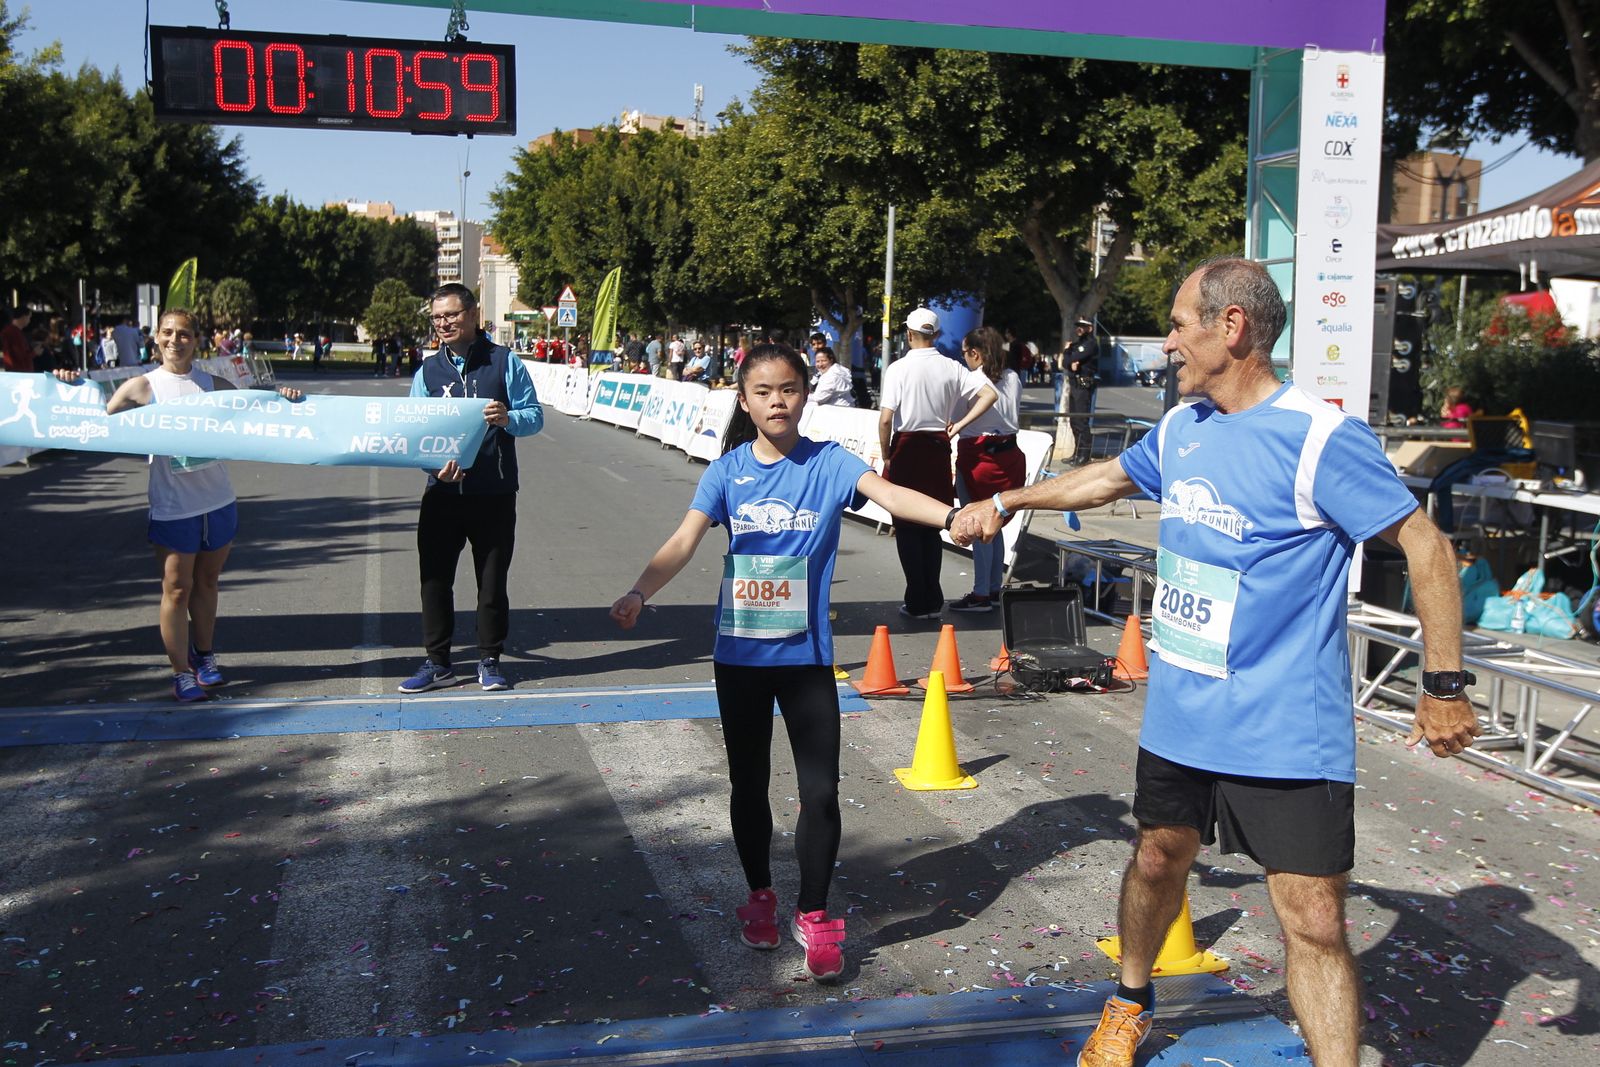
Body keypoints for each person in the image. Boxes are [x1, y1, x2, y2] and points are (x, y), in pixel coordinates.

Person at [952, 257, 1479, 1067]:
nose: (1166, 342)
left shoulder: (1318, 438)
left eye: (1177, 323)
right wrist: (1011, 500)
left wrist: (1443, 685)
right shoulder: (1183, 428)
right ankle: (1129, 999)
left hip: (1286, 729)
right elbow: (1104, 479)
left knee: (1311, 916)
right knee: (1158, 857)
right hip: (1184, 715)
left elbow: (1427, 547)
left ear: (1230, 328)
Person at [609, 343, 967, 983]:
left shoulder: (830, 464)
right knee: (749, 786)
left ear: (806, 396)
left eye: (790, 389)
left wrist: (953, 516)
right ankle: (759, 897)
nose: (778, 400)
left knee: (821, 791)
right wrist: (640, 591)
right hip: (740, 658)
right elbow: (683, 540)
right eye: (765, 391)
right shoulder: (725, 473)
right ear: (745, 401)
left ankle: (815, 913)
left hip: (806, 660)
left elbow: (889, 495)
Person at [54, 309, 303, 701]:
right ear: (156, 338)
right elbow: (93, 418)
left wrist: (285, 397)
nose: (175, 340)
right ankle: (181, 672)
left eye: (184, 333)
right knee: (175, 589)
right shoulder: (142, 387)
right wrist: (67, 386)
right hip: (174, 506)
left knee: (207, 582)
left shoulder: (213, 384)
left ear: (196, 340)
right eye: (168, 333)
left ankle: (204, 657)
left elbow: (263, 414)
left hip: (217, 501)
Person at [400, 283, 544, 695]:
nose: (443, 323)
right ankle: (438, 662)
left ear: (473, 315)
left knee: (492, 582)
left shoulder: (505, 362)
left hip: (494, 492)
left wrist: (508, 418)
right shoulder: (427, 371)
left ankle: (489, 659)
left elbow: (534, 417)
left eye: (451, 315)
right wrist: (434, 468)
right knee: (434, 580)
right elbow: (414, 433)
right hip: (442, 493)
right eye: (437, 317)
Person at [877, 307, 997, 620]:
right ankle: (932, 596)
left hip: (907, 445)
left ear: (908, 334)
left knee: (906, 524)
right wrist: (958, 424)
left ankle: (917, 598)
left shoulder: (898, 368)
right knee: (934, 522)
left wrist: (886, 452)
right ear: (937, 334)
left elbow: (886, 418)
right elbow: (988, 394)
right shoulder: (951, 367)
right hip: (937, 447)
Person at [949, 326, 1024, 613]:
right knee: (997, 521)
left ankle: (981, 592)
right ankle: (993, 588)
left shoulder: (972, 381)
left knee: (977, 523)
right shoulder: (1012, 377)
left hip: (979, 456)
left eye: (966, 353)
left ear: (976, 353)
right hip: (1010, 456)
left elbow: (956, 418)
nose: (964, 358)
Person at [1066, 317, 1101, 464]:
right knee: (1074, 421)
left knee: (1081, 421)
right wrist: (1069, 353)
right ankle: (1077, 452)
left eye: (1082, 326)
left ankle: (1084, 454)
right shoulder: (1077, 344)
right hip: (1074, 384)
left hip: (1083, 385)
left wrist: (1072, 356)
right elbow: (1065, 362)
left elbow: (1077, 356)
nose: (1079, 328)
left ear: (1090, 328)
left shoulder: (1091, 344)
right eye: (1078, 325)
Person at [2, 307, 34, 372]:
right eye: (29, 317)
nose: (29, 320)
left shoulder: (12, 331)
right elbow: (20, 355)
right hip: (18, 372)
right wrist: (35, 352)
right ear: (24, 316)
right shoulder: (13, 332)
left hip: (17, 371)